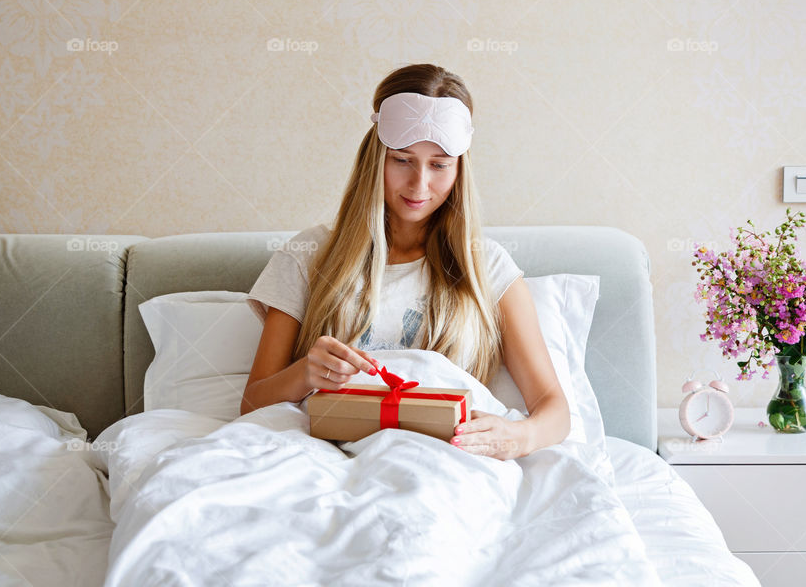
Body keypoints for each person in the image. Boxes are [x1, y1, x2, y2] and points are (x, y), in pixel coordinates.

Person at [241, 63, 570, 460]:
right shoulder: (308, 256)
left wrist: (518, 437)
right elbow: (252, 403)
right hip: (323, 456)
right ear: (374, 159)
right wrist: (303, 375)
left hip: (446, 459)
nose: (419, 185)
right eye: (401, 160)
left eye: (439, 165)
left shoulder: (489, 267)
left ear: (460, 170)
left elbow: (554, 409)